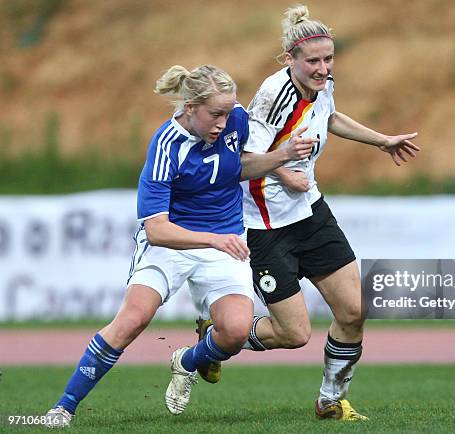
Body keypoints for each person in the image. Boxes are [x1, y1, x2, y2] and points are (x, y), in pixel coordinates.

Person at [44, 64, 315, 427]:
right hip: (173, 243)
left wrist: (280, 162)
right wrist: (214, 239)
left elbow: (237, 166)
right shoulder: (165, 146)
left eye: (227, 111)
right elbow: (156, 230)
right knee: (133, 319)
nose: (224, 121)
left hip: (223, 242)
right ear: (189, 108)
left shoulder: (235, 119)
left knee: (235, 332)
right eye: (214, 114)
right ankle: (63, 407)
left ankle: (186, 362)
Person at [195, 5, 420, 421]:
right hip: (263, 226)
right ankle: (218, 335)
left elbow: (329, 116)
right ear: (289, 60)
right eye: (313, 61)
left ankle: (330, 400)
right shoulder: (271, 95)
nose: (322, 68)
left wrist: (381, 140)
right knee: (294, 333)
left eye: (328, 59)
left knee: (354, 311)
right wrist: (283, 172)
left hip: (310, 213)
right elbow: (241, 159)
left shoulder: (322, 84)